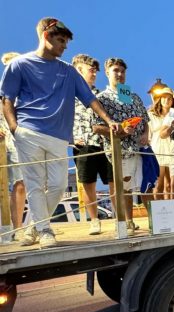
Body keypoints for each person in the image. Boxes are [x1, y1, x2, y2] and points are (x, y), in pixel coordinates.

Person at [0, 18, 118, 247]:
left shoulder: (68, 71)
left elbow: (90, 99)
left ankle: (34, 227)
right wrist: (15, 128)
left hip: (58, 136)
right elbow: (7, 99)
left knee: (58, 185)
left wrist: (110, 120)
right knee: (34, 184)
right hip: (28, 132)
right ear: (46, 36)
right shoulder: (19, 65)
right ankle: (45, 231)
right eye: (61, 40)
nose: (65, 46)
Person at [92, 57, 149, 236]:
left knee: (146, 185)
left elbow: (145, 119)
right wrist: (121, 130)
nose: (120, 74)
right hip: (120, 150)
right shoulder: (102, 98)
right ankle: (126, 222)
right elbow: (96, 126)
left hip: (140, 148)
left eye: (122, 71)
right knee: (124, 188)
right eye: (116, 70)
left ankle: (157, 221)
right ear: (107, 73)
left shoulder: (130, 94)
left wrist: (146, 134)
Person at [71, 53, 112, 235]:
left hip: (105, 144)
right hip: (83, 145)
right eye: (91, 69)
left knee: (114, 182)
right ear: (79, 71)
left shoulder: (101, 95)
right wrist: (70, 139)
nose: (94, 73)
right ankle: (95, 220)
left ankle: (121, 219)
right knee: (88, 184)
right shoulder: (68, 94)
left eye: (96, 70)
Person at [0, 51, 26, 241]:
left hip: (21, 142)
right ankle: (7, 228)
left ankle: (17, 228)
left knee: (21, 184)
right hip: (4, 142)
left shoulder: (25, 91)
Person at [147, 86, 174, 199]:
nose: (167, 100)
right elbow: (148, 134)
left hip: (172, 149)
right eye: (164, 97)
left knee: (169, 185)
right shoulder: (151, 114)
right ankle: (158, 213)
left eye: (169, 98)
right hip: (157, 150)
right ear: (159, 99)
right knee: (158, 184)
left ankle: (169, 212)